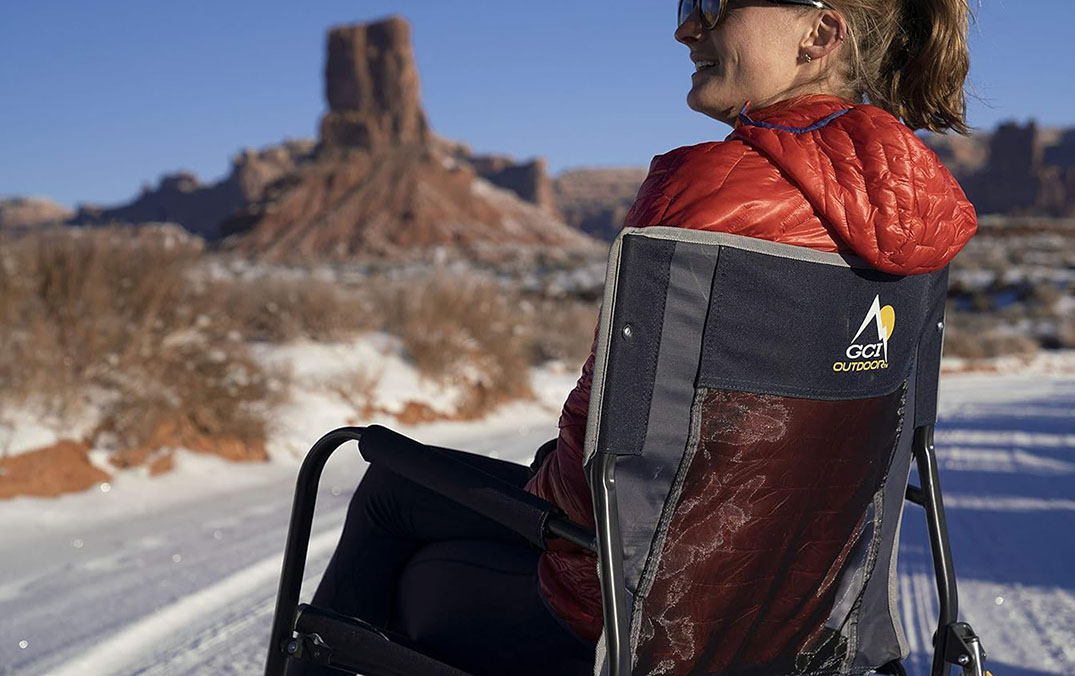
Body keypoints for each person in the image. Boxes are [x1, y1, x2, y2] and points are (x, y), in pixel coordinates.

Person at [289, 1, 977, 674]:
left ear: (820, 31)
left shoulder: (711, 189)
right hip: (811, 618)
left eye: (716, 4)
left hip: (630, 622)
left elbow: (596, 479)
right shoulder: (925, 225)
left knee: (386, 492)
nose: (687, 28)